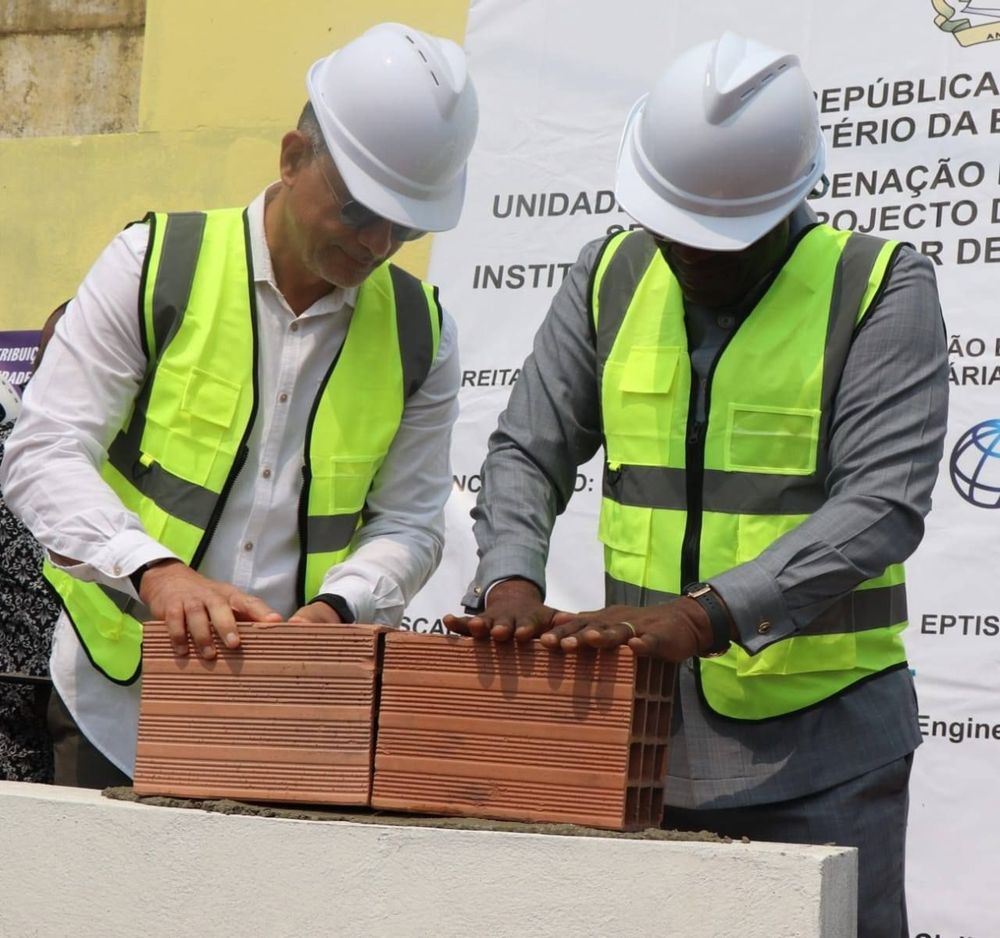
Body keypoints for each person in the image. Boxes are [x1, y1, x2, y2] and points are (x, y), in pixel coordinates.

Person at [445, 32, 946, 938]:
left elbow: (881, 503)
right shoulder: (609, 274)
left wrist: (706, 615)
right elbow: (527, 448)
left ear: (791, 199)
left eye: (721, 243)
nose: (690, 255)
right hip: (637, 739)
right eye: (672, 230)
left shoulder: (879, 286)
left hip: (826, 755)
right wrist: (508, 577)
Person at [1, 22, 478, 789]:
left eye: (408, 225)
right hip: (115, 705)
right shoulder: (153, 267)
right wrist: (153, 570)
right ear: (293, 158)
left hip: (288, 720)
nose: (379, 243)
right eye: (360, 211)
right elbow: (44, 451)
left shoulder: (424, 335)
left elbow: (411, 523)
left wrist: (341, 609)